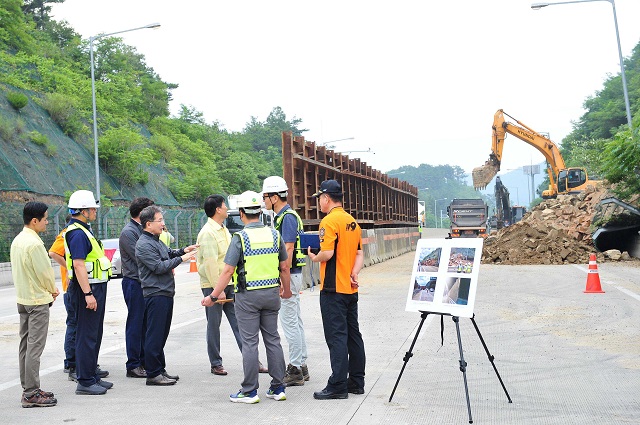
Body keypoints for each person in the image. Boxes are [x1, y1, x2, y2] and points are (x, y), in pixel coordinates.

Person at [202, 191, 290, 404]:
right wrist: (286, 290)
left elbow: (226, 271)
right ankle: (278, 388)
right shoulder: (274, 235)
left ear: (241, 213)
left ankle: (250, 391)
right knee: (273, 340)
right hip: (271, 294)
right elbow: (284, 267)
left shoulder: (240, 238)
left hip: (248, 295)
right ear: (260, 212)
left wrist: (213, 296)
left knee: (250, 343)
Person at [307, 179, 366, 400]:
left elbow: (328, 253)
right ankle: (356, 381)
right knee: (353, 334)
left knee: (336, 337)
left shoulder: (329, 222)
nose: (319, 203)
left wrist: (315, 257)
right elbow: (359, 254)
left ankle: (338, 385)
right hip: (350, 288)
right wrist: (354, 273)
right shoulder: (352, 222)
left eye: (319, 199)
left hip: (333, 288)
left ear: (326, 198)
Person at [135, 205, 198, 386]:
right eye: (160, 220)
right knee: (154, 335)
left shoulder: (155, 240)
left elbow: (168, 254)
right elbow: (158, 266)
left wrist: (183, 251)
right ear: (148, 224)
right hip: (155, 293)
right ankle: (153, 373)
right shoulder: (144, 244)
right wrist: (182, 259)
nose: (163, 223)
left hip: (164, 292)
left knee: (161, 334)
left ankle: (159, 369)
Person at [64, 190, 113, 395]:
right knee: (87, 335)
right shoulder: (76, 233)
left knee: (94, 333)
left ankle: (91, 375)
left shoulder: (83, 230)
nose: (95, 211)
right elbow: (78, 265)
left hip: (94, 287)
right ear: (83, 211)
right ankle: (84, 381)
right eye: (92, 208)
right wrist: (88, 294)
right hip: (88, 289)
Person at [11, 201, 60, 408]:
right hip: (37, 301)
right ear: (34, 220)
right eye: (45, 219)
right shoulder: (35, 243)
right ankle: (31, 392)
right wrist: (53, 289)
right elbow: (44, 273)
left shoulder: (18, 240)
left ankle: (28, 388)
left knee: (25, 345)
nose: (47, 223)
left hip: (22, 299)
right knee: (35, 348)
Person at [262, 176, 309, 386]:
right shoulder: (283, 217)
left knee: (289, 323)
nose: (264, 201)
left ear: (274, 197)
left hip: (290, 274)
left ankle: (296, 369)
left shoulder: (287, 218)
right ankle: (302, 365)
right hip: (293, 274)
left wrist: (284, 280)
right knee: (295, 322)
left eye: (265, 197)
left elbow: (288, 249)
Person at [196, 195, 243, 376]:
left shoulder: (223, 230)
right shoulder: (208, 232)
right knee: (214, 325)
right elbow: (210, 264)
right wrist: (218, 290)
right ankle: (215, 363)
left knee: (239, 323)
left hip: (229, 282)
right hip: (214, 286)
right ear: (217, 209)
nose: (227, 208)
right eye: (225, 205)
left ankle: (252, 359)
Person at [118, 197, 155, 378]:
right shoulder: (129, 232)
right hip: (134, 282)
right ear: (141, 213)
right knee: (135, 323)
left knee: (145, 324)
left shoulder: (142, 230)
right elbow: (142, 257)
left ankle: (143, 360)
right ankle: (133, 364)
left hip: (145, 282)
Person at [48, 215, 76, 375]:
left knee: (78, 326)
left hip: (77, 286)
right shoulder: (67, 233)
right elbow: (53, 252)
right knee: (74, 325)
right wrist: (70, 266)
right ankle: (71, 362)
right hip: (71, 288)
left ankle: (78, 360)